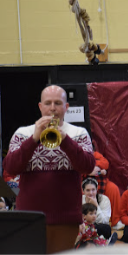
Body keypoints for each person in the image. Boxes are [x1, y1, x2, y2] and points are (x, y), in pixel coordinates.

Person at [3, 85, 95, 253]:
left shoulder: (78, 133)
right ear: (40, 106)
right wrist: (33, 139)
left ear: (66, 107)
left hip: (66, 219)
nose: (52, 108)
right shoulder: (22, 133)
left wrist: (65, 140)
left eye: (58, 103)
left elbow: (88, 166)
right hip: (29, 218)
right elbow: (11, 167)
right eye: (48, 103)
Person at [81, 178, 113, 242]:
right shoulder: (80, 199)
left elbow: (104, 221)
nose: (91, 193)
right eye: (88, 190)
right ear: (83, 191)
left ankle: (100, 241)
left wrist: (96, 206)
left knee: (106, 228)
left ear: (97, 190)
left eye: (93, 190)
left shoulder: (104, 199)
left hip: (97, 226)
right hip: (84, 227)